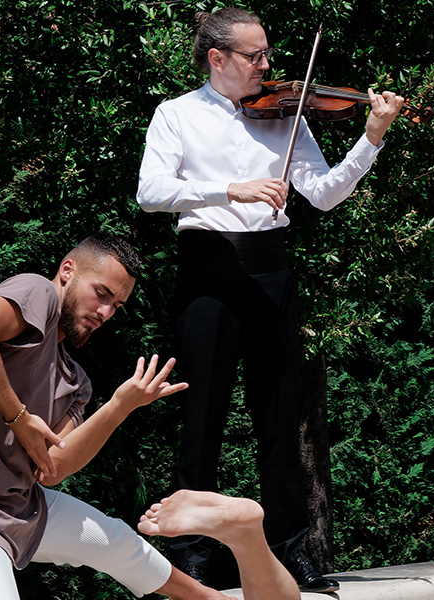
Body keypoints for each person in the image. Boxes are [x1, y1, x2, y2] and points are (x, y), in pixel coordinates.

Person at [135, 6, 405, 593]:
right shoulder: (176, 114)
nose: (267, 65)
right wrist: (228, 188)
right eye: (254, 55)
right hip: (207, 268)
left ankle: (290, 550)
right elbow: (150, 191)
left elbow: (325, 195)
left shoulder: (285, 115)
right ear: (218, 58)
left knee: (281, 419)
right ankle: (192, 554)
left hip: (270, 268)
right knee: (200, 415)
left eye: (266, 54)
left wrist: (371, 137)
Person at [0, 234, 297, 600]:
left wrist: (120, 405)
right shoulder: (37, 291)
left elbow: (51, 469)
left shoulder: (75, 383)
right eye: (101, 294)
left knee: (118, 542)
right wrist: (18, 417)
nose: (105, 312)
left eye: (117, 305)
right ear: (68, 270)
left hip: (22, 508)